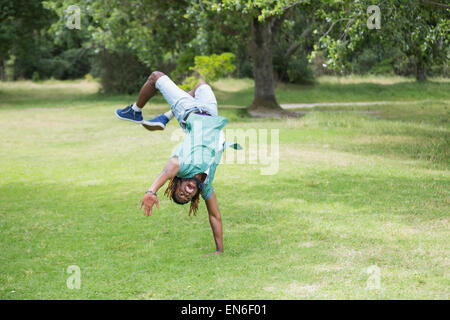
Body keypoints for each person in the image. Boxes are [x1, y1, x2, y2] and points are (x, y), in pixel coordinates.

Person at [115, 71, 240, 256]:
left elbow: (169, 168)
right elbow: (215, 216)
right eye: (188, 196)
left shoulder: (183, 167)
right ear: (196, 194)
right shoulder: (205, 185)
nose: (187, 192)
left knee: (156, 77)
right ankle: (165, 116)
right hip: (210, 112)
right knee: (200, 84)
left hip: (188, 111)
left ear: (177, 182)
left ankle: (135, 111)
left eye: (181, 192)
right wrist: (219, 250)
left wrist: (152, 191)